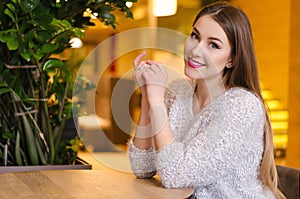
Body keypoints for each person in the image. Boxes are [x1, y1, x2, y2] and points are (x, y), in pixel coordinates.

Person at [128, 2, 286, 199]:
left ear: (232, 59)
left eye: (213, 45)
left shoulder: (242, 106)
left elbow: (176, 175)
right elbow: (143, 168)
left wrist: (156, 97)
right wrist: (147, 96)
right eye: (195, 36)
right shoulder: (179, 91)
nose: (195, 50)